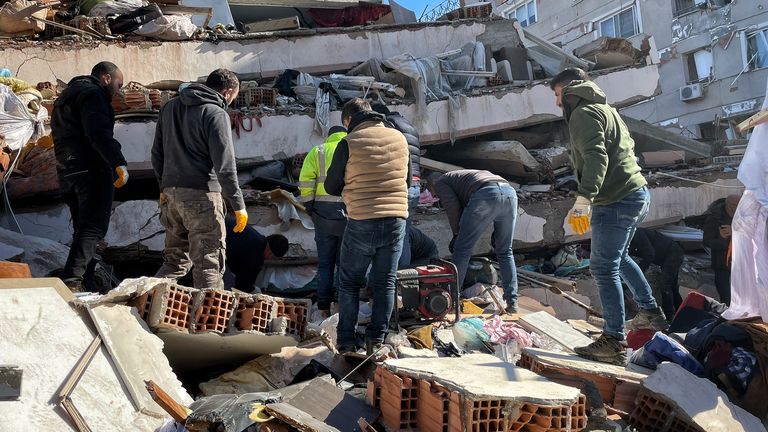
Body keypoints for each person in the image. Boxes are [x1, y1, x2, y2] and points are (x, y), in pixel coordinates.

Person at [551, 67, 665, 365]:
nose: (557, 103)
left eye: (557, 95)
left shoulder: (583, 113)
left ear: (569, 90)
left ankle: (613, 340)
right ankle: (650, 312)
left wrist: (584, 199)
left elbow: (597, 157)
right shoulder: (605, 108)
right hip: (635, 193)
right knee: (620, 258)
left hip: (615, 199)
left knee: (602, 267)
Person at [325, 98, 410, 355]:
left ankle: (347, 341)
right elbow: (405, 178)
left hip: (362, 218)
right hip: (396, 219)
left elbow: (331, 186)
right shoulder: (400, 138)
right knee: (385, 282)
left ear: (349, 120)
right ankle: (377, 340)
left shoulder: (348, 142)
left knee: (349, 283)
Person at [152, 69, 247, 289]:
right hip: (202, 195)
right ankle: (211, 322)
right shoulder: (215, 113)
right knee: (209, 263)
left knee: (175, 261)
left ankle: (144, 304)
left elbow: (157, 153)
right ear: (228, 92)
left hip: (170, 195)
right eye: (234, 96)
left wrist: (163, 187)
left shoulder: (169, 107)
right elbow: (225, 165)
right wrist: (238, 205)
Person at [52, 61, 129, 292]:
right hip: (91, 167)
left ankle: (87, 279)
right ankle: (73, 281)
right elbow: (97, 132)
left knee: (83, 228)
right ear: (106, 78)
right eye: (118, 83)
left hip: (67, 170)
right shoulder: (93, 94)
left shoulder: (65, 97)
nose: (119, 90)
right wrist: (117, 161)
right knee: (93, 227)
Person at [428, 170, 519, 313]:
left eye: (433, 193)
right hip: (510, 193)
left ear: (432, 183)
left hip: (486, 194)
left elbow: (453, 207)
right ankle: (512, 303)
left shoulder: (441, 182)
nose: (435, 197)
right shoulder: (461, 177)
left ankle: (452, 301)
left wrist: (457, 234)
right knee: (505, 251)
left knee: (462, 250)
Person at [298, 125, 348, 315]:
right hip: (348, 212)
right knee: (344, 264)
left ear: (329, 136)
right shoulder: (352, 148)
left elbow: (305, 180)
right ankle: (341, 306)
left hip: (322, 214)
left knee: (325, 264)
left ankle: (323, 307)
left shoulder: (318, 150)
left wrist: (309, 207)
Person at [370, 101, 421, 268]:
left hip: (398, 184)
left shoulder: (388, 126)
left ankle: (386, 280)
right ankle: (403, 279)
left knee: (384, 236)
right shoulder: (410, 127)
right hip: (415, 186)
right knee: (403, 234)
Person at [629, 228, 685, 319]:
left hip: (673, 253)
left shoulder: (636, 233)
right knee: (672, 287)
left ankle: (669, 317)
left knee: (665, 286)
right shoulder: (625, 240)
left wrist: (638, 272)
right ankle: (682, 313)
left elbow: (649, 254)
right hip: (667, 256)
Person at [223, 215, 289, 292]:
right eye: (272, 257)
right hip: (213, 238)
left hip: (216, 223)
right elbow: (243, 284)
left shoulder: (257, 239)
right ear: (270, 253)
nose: (269, 259)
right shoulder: (257, 253)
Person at [702, 195, 740, 305]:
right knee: (726, 297)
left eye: (737, 206)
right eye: (732, 205)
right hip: (721, 263)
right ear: (726, 204)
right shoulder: (714, 219)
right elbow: (707, 241)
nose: (734, 208)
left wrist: (735, 232)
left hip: (739, 263)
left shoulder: (742, 217)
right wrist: (722, 240)